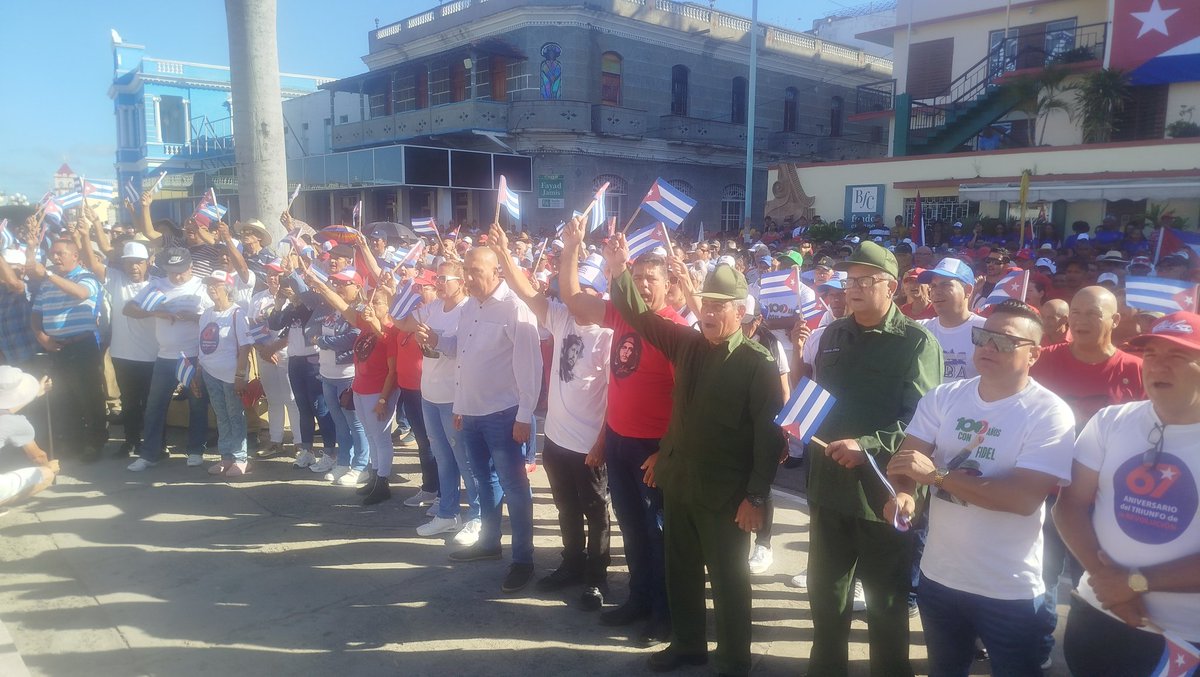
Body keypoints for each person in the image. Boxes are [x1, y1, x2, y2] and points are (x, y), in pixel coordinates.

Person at [610, 248, 785, 677]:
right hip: (680, 483)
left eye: (719, 306)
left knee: (729, 581)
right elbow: (640, 317)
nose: (707, 312)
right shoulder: (686, 343)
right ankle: (688, 644)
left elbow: (769, 439)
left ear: (740, 312)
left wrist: (756, 498)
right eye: (705, 303)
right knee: (681, 570)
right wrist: (618, 271)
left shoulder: (756, 364)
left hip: (725, 497)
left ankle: (734, 660)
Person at [886, 300, 1076, 676]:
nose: (988, 347)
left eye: (1004, 341)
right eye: (983, 336)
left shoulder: (1049, 412)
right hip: (939, 577)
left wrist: (938, 477)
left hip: (1008, 589)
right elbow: (907, 463)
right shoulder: (944, 397)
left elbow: (1023, 499)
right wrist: (903, 493)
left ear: (1034, 354)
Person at [805, 242, 943, 677]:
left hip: (884, 491)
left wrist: (866, 444)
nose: (854, 288)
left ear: (891, 287)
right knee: (826, 596)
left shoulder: (916, 342)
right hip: (829, 486)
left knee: (885, 604)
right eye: (850, 281)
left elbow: (922, 420)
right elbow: (820, 399)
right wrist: (797, 421)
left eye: (865, 280)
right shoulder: (832, 334)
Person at [1053, 311, 1200, 676]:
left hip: (1184, 636)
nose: (1158, 366)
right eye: (1151, 354)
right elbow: (1069, 506)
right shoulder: (1111, 421)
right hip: (1099, 613)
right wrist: (1109, 585)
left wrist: (1133, 583)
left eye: (1177, 355)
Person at [560, 218, 683, 643]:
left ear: (667, 285)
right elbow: (573, 300)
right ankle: (639, 599)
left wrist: (667, 452)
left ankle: (665, 613)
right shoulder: (621, 315)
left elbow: (688, 403)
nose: (644, 285)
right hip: (619, 441)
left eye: (652, 279)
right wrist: (572, 248)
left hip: (655, 449)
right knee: (631, 528)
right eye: (638, 276)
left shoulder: (673, 330)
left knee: (658, 534)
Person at [489, 224, 613, 610]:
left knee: (596, 512)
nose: (574, 298)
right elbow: (526, 290)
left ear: (599, 296)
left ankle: (597, 577)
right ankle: (572, 563)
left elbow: (616, 398)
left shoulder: (610, 334)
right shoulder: (561, 318)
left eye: (584, 291)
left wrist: (602, 442)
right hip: (556, 439)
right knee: (566, 508)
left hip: (591, 444)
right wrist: (503, 252)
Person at [1029, 285, 1145, 666]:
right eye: (1075, 313)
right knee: (1041, 574)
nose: (1080, 321)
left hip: (1106, 500)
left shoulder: (1135, 370)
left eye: (1092, 314)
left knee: (1094, 578)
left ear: (1114, 320)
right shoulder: (1043, 360)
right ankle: (1039, 646)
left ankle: (1095, 652)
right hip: (1047, 489)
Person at [436, 245, 543, 595]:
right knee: (484, 481)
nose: (468, 277)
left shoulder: (515, 308)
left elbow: (530, 366)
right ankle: (489, 542)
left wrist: (524, 415)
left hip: (504, 414)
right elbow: (464, 354)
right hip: (471, 413)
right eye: (466, 270)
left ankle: (523, 559)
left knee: (515, 487)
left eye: (476, 271)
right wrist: (460, 404)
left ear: (496, 272)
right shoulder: (469, 306)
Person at [409, 260, 481, 545]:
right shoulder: (434, 307)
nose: (437, 283)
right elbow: (401, 320)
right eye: (436, 278)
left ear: (461, 282)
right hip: (429, 394)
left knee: (466, 461)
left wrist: (436, 339)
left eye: (443, 278)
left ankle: (478, 517)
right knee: (443, 458)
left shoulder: (469, 310)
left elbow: (464, 350)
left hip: (454, 397)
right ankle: (448, 513)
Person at [126, 248, 213, 471]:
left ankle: (196, 450)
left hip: (193, 355)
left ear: (191, 267)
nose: (177, 276)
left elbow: (216, 316)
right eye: (172, 271)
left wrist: (195, 317)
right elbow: (129, 308)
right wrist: (155, 313)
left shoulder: (202, 286)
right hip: (164, 356)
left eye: (181, 271)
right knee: (155, 406)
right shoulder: (157, 284)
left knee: (197, 404)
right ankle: (149, 454)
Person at [28, 235, 106, 463]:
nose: (55, 258)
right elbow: (36, 313)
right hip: (56, 347)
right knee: (64, 397)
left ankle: (95, 442)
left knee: (89, 396)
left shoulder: (86, 277)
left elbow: (81, 293)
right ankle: (74, 442)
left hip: (81, 346)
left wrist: (48, 274)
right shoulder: (47, 283)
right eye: (53, 254)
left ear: (75, 256)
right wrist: (41, 337)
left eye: (60, 253)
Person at [79, 233, 157, 458]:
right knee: (129, 403)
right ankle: (131, 442)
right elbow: (92, 263)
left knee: (151, 403)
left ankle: (155, 444)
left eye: (138, 262)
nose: (134, 267)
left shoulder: (158, 284)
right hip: (123, 354)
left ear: (147, 262)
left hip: (153, 355)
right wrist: (84, 235)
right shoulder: (116, 280)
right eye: (129, 262)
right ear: (123, 264)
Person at [737, 294, 791, 575]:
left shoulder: (772, 344)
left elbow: (784, 390)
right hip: (735, 426)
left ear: (757, 320)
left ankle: (764, 544)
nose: (740, 324)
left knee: (762, 483)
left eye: (745, 320)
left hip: (765, 423)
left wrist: (784, 432)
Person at [266, 260, 337, 470]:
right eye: (286, 287)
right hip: (295, 361)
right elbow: (275, 324)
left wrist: (296, 283)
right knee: (303, 408)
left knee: (320, 408)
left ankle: (330, 453)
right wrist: (279, 303)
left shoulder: (312, 306)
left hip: (312, 361)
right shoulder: (291, 307)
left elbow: (306, 301)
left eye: (290, 286)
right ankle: (307, 451)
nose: (288, 290)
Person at [303, 268, 369, 486]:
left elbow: (353, 337)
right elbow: (311, 330)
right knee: (339, 422)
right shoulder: (332, 310)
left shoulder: (359, 310)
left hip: (348, 375)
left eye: (344, 284)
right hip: (328, 374)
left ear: (357, 287)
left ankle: (361, 466)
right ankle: (343, 462)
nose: (339, 287)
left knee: (355, 423)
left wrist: (322, 342)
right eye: (337, 284)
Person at [197, 270, 253, 476]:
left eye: (216, 284)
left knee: (235, 415)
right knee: (221, 416)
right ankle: (226, 457)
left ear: (228, 288)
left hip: (231, 375)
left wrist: (240, 376)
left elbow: (245, 347)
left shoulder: (237, 313)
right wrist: (198, 370)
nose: (211, 288)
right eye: (209, 284)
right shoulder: (206, 314)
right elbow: (202, 345)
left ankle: (240, 458)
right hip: (209, 373)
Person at [247, 260, 300, 459]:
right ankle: (276, 441)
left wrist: (274, 348)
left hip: (286, 352)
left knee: (291, 399)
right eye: (269, 274)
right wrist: (263, 350)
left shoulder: (292, 298)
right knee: (273, 399)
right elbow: (250, 327)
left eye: (277, 274)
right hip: (265, 355)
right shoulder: (257, 298)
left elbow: (296, 329)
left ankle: (299, 442)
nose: (273, 278)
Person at [918, 259, 987, 383]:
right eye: (933, 286)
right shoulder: (921, 330)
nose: (937, 292)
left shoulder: (986, 329)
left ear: (968, 290)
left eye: (946, 285)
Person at [0, 367, 59, 506]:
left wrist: (36, 394)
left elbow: (5, 410)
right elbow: (38, 457)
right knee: (46, 474)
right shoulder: (18, 424)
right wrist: (50, 468)